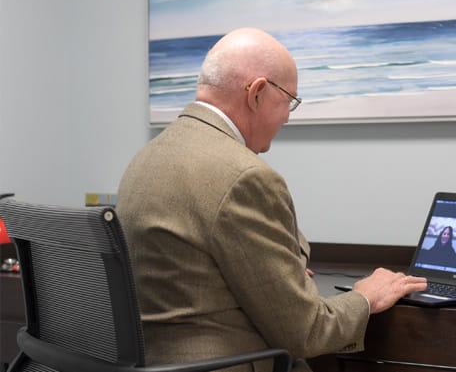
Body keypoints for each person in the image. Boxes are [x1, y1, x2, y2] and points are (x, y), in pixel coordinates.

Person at [116, 28, 427, 372]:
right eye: (289, 101)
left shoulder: (146, 159)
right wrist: (366, 298)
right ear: (258, 93)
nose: (287, 117)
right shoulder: (245, 176)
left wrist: (278, 272)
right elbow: (307, 332)